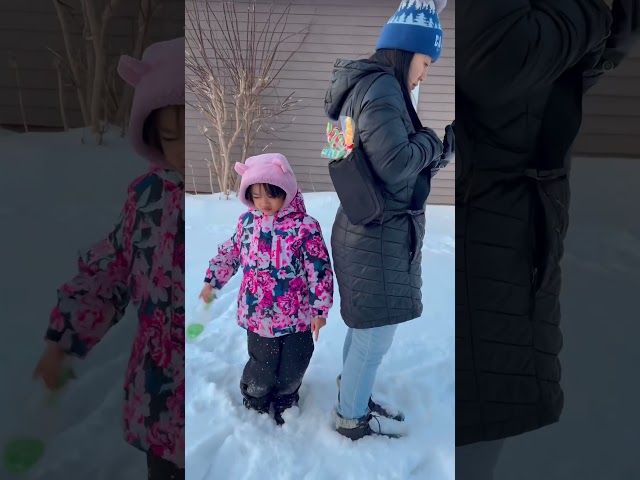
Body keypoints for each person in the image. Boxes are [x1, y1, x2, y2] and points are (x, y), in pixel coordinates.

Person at [454, 0, 638, 477]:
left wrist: (602, 42)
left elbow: (532, 94)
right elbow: (493, 62)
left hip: (512, 246)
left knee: (483, 434)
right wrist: (595, 11)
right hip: (484, 246)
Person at [32, 37, 186, 480]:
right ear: (153, 137)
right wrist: (64, 338)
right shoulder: (146, 199)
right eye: (171, 137)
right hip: (157, 394)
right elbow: (109, 273)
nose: (182, 148)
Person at [323, 0, 453, 440]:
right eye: (425, 61)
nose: (425, 73)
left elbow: (392, 166)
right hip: (373, 234)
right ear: (405, 50)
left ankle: (351, 392)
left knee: (366, 328)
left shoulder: (376, 88)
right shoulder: (380, 89)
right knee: (374, 336)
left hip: (370, 226)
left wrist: (442, 149)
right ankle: (351, 417)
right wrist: (433, 143)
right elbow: (398, 163)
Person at [200, 153, 334, 426]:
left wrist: (319, 309)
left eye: (271, 194)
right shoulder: (247, 224)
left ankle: (286, 398)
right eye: (257, 195)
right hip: (258, 314)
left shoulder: (305, 227)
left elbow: (319, 269)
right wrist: (212, 281)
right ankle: (256, 399)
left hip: (296, 314)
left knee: (294, 365)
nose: (264, 203)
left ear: (287, 190)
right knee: (262, 365)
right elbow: (230, 253)